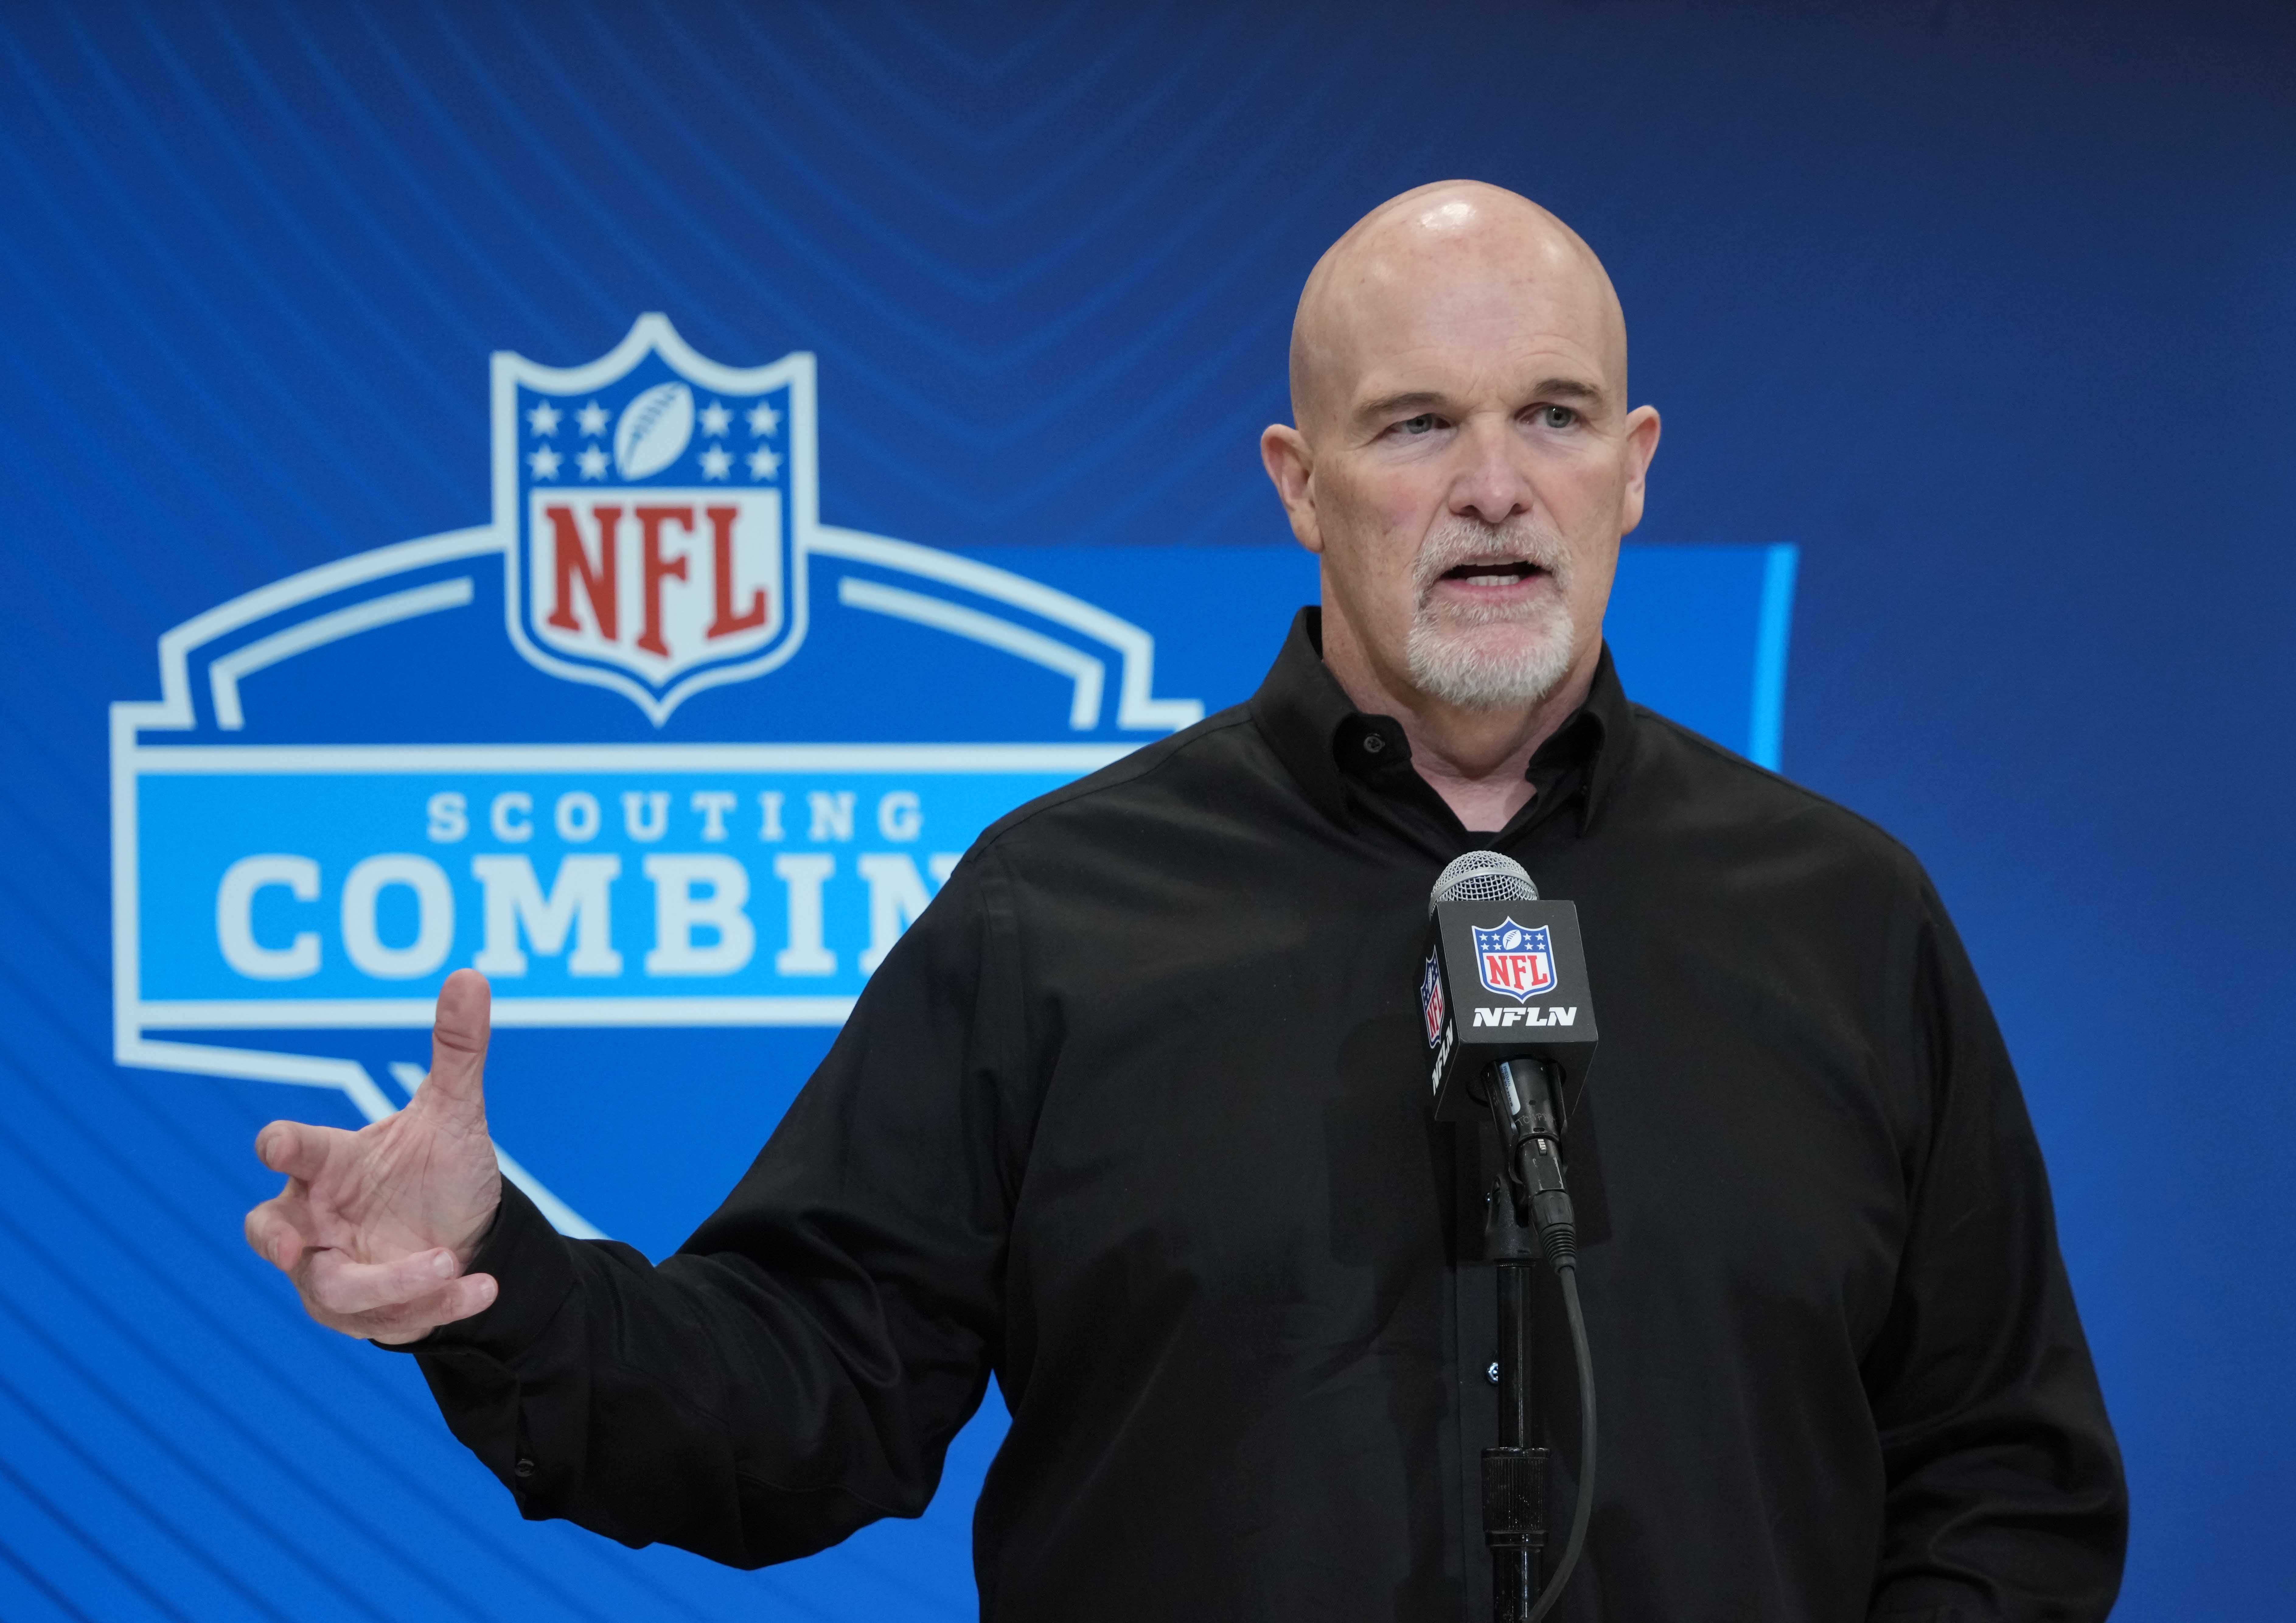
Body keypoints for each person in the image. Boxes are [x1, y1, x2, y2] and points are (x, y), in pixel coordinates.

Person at [246, 181, 2128, 1620]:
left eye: (1553, 417)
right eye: (1413, 428)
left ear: (1631, 473)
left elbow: (2001, 1472)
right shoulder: (1058, 911)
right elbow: (801, 1398)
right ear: (1298, 486)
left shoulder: (1840, 914)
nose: (1492, 488)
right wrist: (493, 1263)